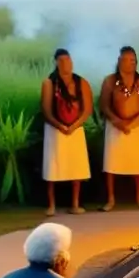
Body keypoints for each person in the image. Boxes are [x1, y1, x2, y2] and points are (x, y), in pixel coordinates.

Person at [99, 46, 139, 211]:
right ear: (119, 61)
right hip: (115, 126)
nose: (129, 64)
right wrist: (117, 121)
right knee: (111, 164)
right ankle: (110, 199)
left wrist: (132, 124)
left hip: (136, 127)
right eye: (126, 60)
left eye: (133, 61)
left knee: (138, 165)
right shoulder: (109, 81)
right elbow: (104, 105)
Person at [41, 49, 93, 216]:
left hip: (76, 129)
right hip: (55, 129)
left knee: (76, 166)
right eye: (62, 61)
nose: (66, 64)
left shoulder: (81, 82)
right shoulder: (49, 83)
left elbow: (87, 109)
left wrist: (74, 125)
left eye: (68, 60)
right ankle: (51, 205)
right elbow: (46, 109)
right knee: (53, 165)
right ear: (56, 63)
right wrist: (60, 125)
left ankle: (75, 203)